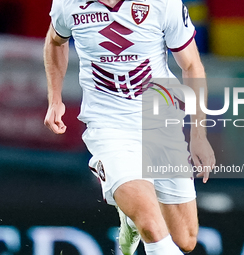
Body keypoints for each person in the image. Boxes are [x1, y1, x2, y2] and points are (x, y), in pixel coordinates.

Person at [43, 0, 216, 254]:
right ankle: (122, 190)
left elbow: (191, 65)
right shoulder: (68, 4)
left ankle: (129, 215)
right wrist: (54, 100)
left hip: (159, 121)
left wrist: (199, 135)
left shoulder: (162, 3)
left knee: (186, 239)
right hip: (109, 125)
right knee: (152, 226)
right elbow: (55, 41)